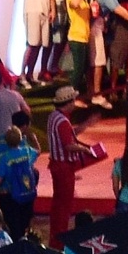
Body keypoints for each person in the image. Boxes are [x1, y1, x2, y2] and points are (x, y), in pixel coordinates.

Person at [46, 86, 88, 240]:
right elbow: (68, 145)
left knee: (58, 204)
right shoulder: (63, 121)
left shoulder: (54, 116)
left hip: (57, 165)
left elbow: (67, 135)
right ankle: (60, 239)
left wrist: (84, 126)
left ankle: (55, 235)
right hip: (64, 168)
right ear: (69, 102)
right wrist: (85, 150)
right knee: (64, 206)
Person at [0, 127, 39, 241]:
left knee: (13, 227)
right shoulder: (27, 151)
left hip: (10, 196)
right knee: (24, 224)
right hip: (27, 194)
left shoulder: (4, 157)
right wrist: (35, 140)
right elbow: (38, 151)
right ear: (20, 139)